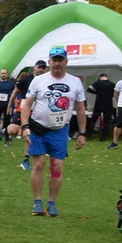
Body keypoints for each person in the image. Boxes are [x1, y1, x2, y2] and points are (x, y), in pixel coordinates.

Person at [21, 47, 87, 217]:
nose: (57, 63)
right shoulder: (38, 80)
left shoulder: (75, 82)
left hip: (59, 131)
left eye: (60, 60)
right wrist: (25, 127)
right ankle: (37, 202)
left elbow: (80, 109)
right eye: (54, 60)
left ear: (66, 62)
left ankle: (51, 203)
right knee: (38, 164)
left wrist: (82, 133)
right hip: (38, 129)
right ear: (49, 62)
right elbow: (27, 105)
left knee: (57, 167)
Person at [10, 60, 47, 171]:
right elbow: (15, 91)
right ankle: (5, 131)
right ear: (34, 67)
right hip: (25, 109)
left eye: (43, 68)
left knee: (33, 134)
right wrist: (10, 104)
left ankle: (27, 159)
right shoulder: (26, 79)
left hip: (40, 111)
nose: (40, 69)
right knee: (13, 130)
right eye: (39, 67)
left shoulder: (47, 80)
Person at [85, 72, 116, 142]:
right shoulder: (112, 84)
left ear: (100, 78)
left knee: (93, 120)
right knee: (106, 122)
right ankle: (103, 137)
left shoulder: (97, 83)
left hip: (98, 104)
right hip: (108, 104)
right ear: (107, 77)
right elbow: (116, 92)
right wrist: (110, 95)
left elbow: (89, 89)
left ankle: (88, 135)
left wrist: (97, 92)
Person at [0, 68, 16, 145]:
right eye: (2, 73)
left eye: (4, 73)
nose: (3, 74)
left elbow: (14, 95)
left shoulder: (11, 84)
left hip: (7, 106)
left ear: (7, 74)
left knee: (7, 123)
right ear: (0, 74)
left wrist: (14, 107)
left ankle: (7, 140)